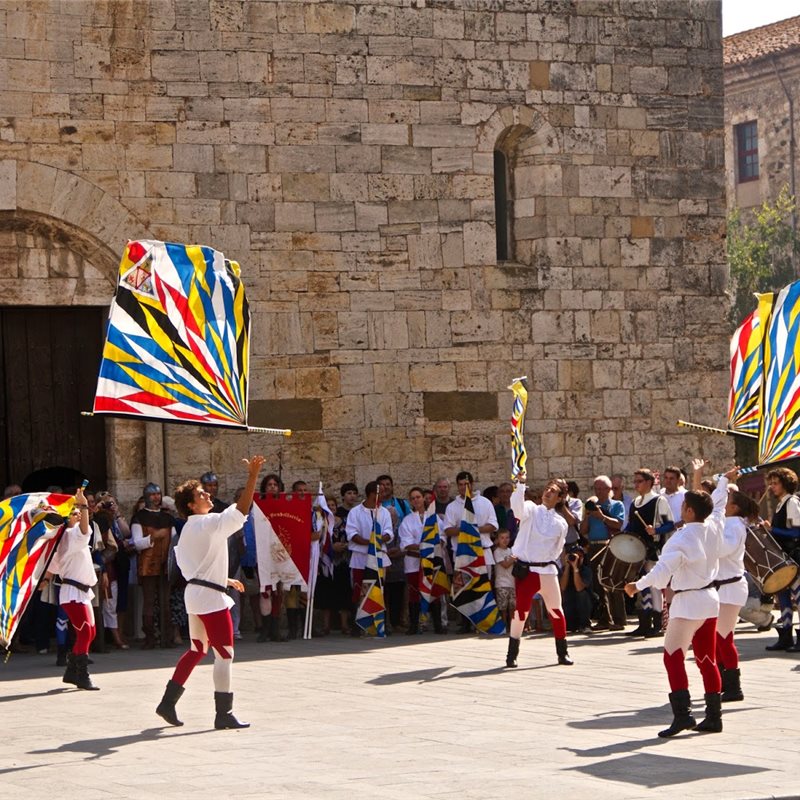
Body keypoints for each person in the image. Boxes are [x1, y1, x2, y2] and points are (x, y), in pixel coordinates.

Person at [624, 461, 736, 738]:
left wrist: (637, 585)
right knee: (707, 659)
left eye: (683, 506)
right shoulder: (714, 525)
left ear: (688, 511)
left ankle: (683, 715)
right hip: (710, 599)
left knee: (673, 657)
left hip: (687, 604)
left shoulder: (681, 539)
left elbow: (661, 573)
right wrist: (723, 481)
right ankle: (714, 717)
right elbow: (719, 503)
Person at [156, 455, 265, 730]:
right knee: (224, 654)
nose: (207, 495)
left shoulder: (187, 530)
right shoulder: (209, 523)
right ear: (191, 505)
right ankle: (223, 713)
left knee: (197, 649)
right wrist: (253, 476)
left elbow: (191, 568)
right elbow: (241, 511)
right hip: (209, 599)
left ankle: (167, 703)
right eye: (201, 494)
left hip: (196, 594)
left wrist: (223, 579)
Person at [694, 462, 759, 702]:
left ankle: (733, 687)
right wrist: (716, 480)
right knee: (717, 638)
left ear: (734, 507)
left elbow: (722, 549)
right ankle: (723, 682)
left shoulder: (734, 525)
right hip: (722, 587)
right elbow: (711, 506)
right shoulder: (728, 522)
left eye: (727, 500)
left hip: (730, 588)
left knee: (723, 638)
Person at [505, 473, 573, 668]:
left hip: (548, 571)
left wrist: (549, 561)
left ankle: (563, 653)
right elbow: (517, 508)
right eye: (547, 489)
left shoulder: (561, 522)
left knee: (556, 612)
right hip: (528, 571)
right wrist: (520, 484)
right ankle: (511, 654)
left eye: (553, 491)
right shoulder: (531, 509)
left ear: (560, 498)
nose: (548, 492)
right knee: (521, 613)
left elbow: (558, 549)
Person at [48, 487, 99, 690]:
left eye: (79, 512)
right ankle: (81, 675)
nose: (78, 515)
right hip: (73, 593)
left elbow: (52, 568)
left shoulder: (69, 538)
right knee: (85, 633)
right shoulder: (71, 535)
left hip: (82, 592)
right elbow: (85, 530)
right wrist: (84, 505)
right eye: (74, 512)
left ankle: (71, 671)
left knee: (90, 632)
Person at [444, 471, 498, 632]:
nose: (463, 487)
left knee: (482, 587)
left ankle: (483, 622)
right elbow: (448, 529)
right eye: (460, 485)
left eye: (466, 484)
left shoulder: (485, 503)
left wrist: (473, 530)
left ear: (472, 484)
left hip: (482, 551)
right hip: (463, 553)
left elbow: (493, 525)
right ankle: (466, 623)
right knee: (464, 589)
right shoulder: (452, 506)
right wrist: (464, 530)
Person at [624, 469, 674, 638]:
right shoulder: (635, 503)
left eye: (639, 481)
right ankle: (644, 624)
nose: (636, 484)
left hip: (654, 550)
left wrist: (656, 530)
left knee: (655, 587)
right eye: (635, 481)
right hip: (638, 551)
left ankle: (657, 624)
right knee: (641, 586)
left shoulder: (659, 501)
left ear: (649, 482)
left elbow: (670, 524)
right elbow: (631, 525)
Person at [131, 483, 175, 648]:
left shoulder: (167, 518)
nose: (156, 497)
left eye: (158, 494)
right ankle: (150, 638)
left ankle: (167, 637)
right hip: (148, 563)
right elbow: (137, 543)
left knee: (165, 601)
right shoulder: (139, 517)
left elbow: (174, 541)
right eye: (152, 495)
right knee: (148, 601)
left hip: (165, 563)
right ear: (147, 496)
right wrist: (153, 537)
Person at [345, 481, 393, 636]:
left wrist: (377, 541)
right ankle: (358, 625)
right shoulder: (355, 512)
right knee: (359, 590)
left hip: (379, 556)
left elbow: (388, 532)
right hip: (360, 557)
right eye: (381, 492)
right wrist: (369, 543)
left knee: (379, 589)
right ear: (372, 494)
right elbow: (352, 534)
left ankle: (380, 624)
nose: (383, 495)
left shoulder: (384, 512)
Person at [761, 467, 800, 652]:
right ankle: (786, 636)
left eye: (775, 483)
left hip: (795, 557)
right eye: (771, 483)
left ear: (785, 483)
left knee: (798, 596)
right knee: (783, 595)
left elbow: (796, 532)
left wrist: (772, 530)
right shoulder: (780, 504)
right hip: (783, 558)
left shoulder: (792, 503)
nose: (772, 486)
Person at [579, 475, 625, 631]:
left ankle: (619, 619)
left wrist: (602, 517)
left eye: (602, 488)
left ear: (609, 489)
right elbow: (583, 530)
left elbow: (618, 524)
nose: (598, 491)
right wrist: (587, 515)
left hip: (610, 545)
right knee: (598, 584)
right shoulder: (592, 506)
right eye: (596, 488)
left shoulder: (616, 505)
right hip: (594, 546)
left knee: (613, 582)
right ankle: (605, 618)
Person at [397, 487, 426, 635]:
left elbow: (441, 537)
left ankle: (437, 623)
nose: (416, 500)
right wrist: (423, 546)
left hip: (430, 560)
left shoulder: (433, 517)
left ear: (424, 498)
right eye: (413, 498)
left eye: (418, 497)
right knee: (414, 592)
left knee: (432, 591)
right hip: (413, 561)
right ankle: (414, 624)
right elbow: (406, 543)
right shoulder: (407, 520)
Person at [560, 541, 593, 634]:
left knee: (582, 594)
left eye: (580, 556)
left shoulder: (586, 570)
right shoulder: (564, 569)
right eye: (575, 556)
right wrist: (567, 566)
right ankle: (569, 624)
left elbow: (579, 588)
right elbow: (562, 587)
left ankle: (585, 625)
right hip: (570, 602)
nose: (577, 559)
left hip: (584, 603)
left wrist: (575, 569)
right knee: (564, 594)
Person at [492, 529, 515, 630]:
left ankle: (512, 626)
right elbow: (505, 565)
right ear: (497, 539)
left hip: (512, 583)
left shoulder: (511, 551)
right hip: (501, 583)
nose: (505, 540)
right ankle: (504, 626)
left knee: (512, 607)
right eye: (502, 538)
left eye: (507, 538)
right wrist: (513, 559)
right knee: (503, 608)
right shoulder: (497, 552)